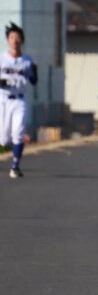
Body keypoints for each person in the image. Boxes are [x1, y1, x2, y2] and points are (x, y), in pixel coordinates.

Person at [0, 22, 37, 178]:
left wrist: (33, 72)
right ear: (7, 40)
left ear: (22, 40)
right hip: (3, 99)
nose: (14, 40)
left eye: (17, 37)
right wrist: (4, 82)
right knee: (3, 139)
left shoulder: (27, 60)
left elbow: (34, 80)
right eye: (11, 37)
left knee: (18, 133)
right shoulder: (2, 59)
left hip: (19, 100)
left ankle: (15, 166)